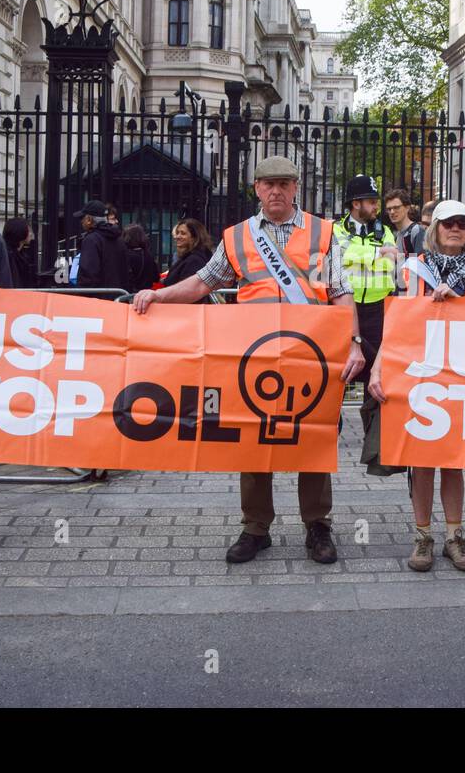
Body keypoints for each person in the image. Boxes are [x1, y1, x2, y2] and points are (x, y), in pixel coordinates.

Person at [131, 156, 366, 565]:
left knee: (311, 437)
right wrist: (159, 295)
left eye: (283, 183)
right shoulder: (238, 236)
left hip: (310, 355)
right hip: (254, 357)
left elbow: (341, 293)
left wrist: (355, 343)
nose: (275, 190)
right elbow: (205, 281)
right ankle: (256, 527)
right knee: (254, 440)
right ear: (256, 189)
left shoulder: (322, 233)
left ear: (296, 188)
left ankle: (317, 525)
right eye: (267, 184)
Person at [368, 199, 465, 573]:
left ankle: (455, 536)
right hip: (419, 373)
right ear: (434, 230)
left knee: (454, 462)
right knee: (422, 462)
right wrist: (378, 368)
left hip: (462, 376)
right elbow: (397, 322)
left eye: (462, 223)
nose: (455, 229)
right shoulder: (413, 269)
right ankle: (423, 536)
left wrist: (461, 306)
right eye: (447, 223)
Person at [334, 175, 400, 443]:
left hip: (377, 307)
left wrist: (363, 258)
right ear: (355, 203)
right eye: (372, 201)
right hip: (346, 307)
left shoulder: (384, 231)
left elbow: (392, 263)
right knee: (339, 368)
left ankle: (375, 432)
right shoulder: (336, 230)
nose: (377, 207)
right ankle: (329, 424)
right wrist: (376, 256)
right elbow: (340, 256)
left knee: (380, 369)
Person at [74, 199, 128, 292]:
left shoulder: (91, 240)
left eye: (82, 218)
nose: (81, 221)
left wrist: (82, 294)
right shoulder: (119, 239)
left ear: (89, 220)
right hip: (119, 298)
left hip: (98, 299)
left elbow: (88, 274)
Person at [164, 217, 214, 303]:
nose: (177, 237)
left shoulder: (194, 261)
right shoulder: (190, 258)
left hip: (185, 311)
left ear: (194, 238)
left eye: (183, 233)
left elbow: (186, 290)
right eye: (177, 233)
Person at [384, 188, 425, 258]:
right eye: (389, 209)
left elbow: (420, 264)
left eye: (396, 207)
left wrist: (397, 257)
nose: (392, 212)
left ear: (407, 207)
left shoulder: (416, 230)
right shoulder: (395, 234)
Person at [122, 223, 161, 294]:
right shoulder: (148, 255)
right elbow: (156, 277)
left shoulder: (125, 255)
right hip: (146, 293)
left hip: (127, 294)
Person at [2, 217, 35, 289]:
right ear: (20, 231)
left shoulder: (20, 254)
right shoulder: (9, 255)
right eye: (29, 230)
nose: (31, 234)